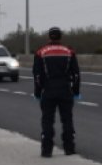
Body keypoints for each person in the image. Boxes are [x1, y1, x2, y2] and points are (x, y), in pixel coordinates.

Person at [33, 26, 81, 157]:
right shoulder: (69, 52)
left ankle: (46, 150)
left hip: (48, 91)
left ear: (49, 37)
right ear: (60, 37)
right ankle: (69, 148)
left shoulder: (41, 52)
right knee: (67, 120)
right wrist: (75, 91)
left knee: (47, 120)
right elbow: (76, 74)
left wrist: (38, 93)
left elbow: (37, 75)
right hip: (65, 90)